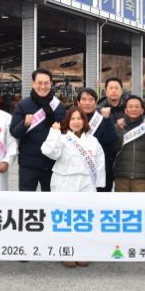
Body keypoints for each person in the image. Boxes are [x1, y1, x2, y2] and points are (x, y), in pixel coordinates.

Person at [41, 107, 105, 268]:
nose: (76, 122)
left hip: (86, 183)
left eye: (79, 118)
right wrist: (54, 132)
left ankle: (83, 251)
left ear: (84, 121)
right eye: (73, 119)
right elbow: (49, 152)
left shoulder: (92, 141)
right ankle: (65, 251)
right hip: (65, 180)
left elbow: (99, 163)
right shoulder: (62, 137)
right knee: (65, 218)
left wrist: (98, 184)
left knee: (84, 219)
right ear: (67, 121)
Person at [10, 68, 66, 191]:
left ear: (51, 84)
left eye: (46, 83)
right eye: (39, 83)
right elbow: (14, 132)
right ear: (33, 83)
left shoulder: (59, 107)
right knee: (26, 200)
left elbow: (66, 134)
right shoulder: (23, 105)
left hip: (53, 164)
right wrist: (25, 124)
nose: (43, 87)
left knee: (51, 200)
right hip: (28, 165)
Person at [113, 95, 145, 192]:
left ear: (142, 110)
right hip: (121, 177)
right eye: (130, 106)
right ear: (125, 110)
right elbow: (112, 150)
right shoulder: (117, 127)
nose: (133, 109)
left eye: (137, 107)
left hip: (142, 178)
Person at [77, 88, 117, 182]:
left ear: (95, 103)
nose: (87, 103)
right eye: (84, 99)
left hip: (100, 169)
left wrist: (107, 120)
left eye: (91, 100)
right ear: (78, 103)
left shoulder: (103, 118)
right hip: (77, 170)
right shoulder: (71, 119)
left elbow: (110, 140)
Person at [95, 77, 128, 191]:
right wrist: (115, 125)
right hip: (104, 157)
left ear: (121, 90)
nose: (114, 91)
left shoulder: (129, 107)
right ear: (106, 91)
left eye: (116, 88)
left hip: (124, 157)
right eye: (111, 88)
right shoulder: (98, 109)